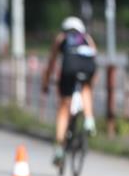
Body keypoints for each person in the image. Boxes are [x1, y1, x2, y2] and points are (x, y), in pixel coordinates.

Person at [42, 16, 98, 167]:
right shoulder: (87, 38)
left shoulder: (62, 38)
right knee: (85, 88)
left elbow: (51, 63)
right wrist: (92, 82)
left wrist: (46, 82)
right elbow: (94, 57)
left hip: (68, 72)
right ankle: (89, 119)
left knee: (64, 108)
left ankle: (60, 148)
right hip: (87, 70)